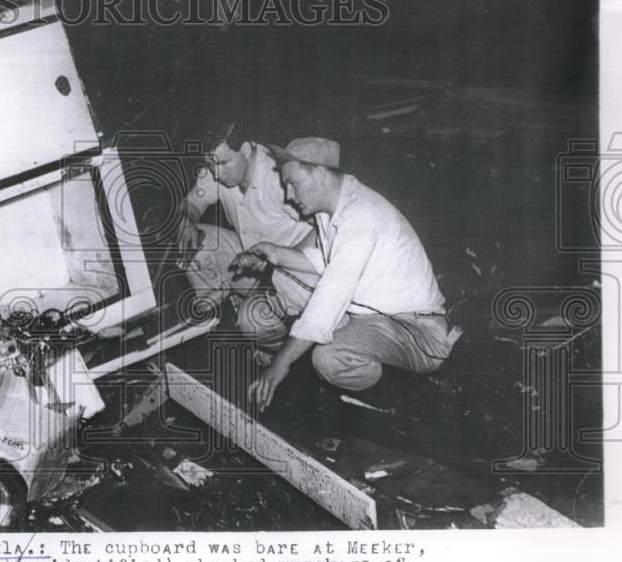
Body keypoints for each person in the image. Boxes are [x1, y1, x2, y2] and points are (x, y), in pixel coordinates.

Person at [236, 137, 460, 410]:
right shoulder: (333, 208)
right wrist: (275, 253)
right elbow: (328, 264)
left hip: (418, 333)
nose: (289, 196)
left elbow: (332, 292)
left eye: (293, 184)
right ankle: (343, 365)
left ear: (319, 173)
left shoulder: (361, 216)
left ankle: (400, 397)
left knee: (328, 356)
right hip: (379, 316)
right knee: (288, 282)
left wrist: (280, 364)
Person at [177, 119, 315, 324]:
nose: (216, 173)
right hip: (250, 261)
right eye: (210, 165)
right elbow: (191, 204)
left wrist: (282, 259)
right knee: (196, 243)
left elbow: (323, 228)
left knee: (252, 322)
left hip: (294, 273)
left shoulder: (278, 177)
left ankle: (272, 337)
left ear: (245, 148)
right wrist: (187, 222)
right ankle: (215, 321)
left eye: (223, 163)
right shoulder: (218, 169)